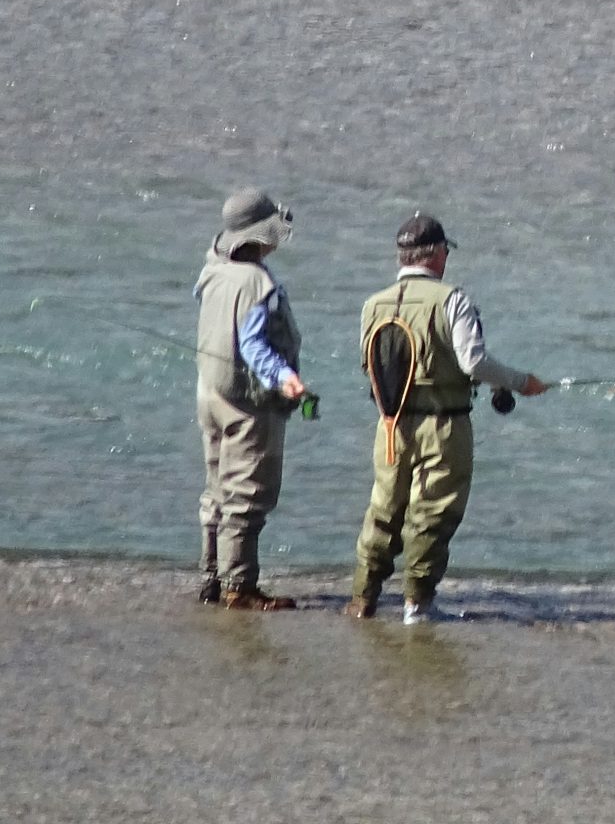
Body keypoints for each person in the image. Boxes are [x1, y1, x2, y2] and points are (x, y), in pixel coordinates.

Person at [346, 213, 548, 623]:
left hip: (389, 427)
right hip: (443, 426)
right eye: (445, 252)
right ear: (437, 254)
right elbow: (472, 362)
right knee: (431, 514)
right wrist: (520, 381)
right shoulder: (452, 299)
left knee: (383, 511)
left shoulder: (372, 304)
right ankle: (417, 605)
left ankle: (362, 599)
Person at [193, 188, 307, 610]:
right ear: (258, 239)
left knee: (216, 491)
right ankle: (239, 588)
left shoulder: (213, 270)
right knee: (246, 495)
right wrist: (286, 379)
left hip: (210, 393)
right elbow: (255, 346)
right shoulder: (258, 283)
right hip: (247, 403)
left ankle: (210, 579)